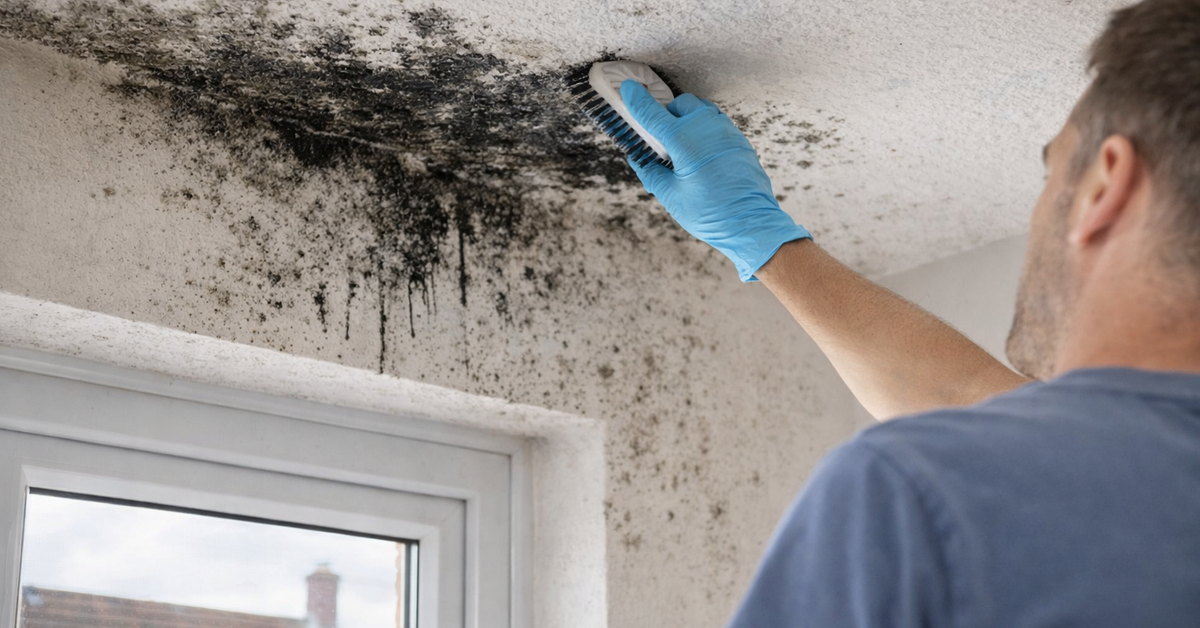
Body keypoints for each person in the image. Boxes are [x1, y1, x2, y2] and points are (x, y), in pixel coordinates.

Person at [618, 0, 1200, 625]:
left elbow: (1009, 451)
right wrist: (764, 241)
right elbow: (980, 407)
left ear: (1103, 188)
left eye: (1052, 173)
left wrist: (756, 233)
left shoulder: (911, 496)